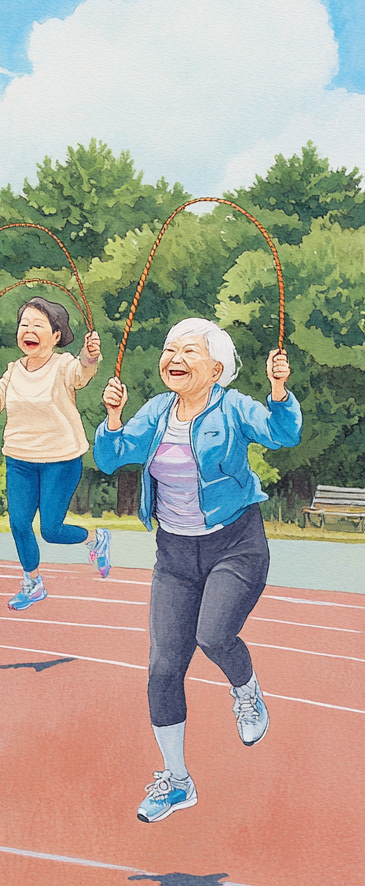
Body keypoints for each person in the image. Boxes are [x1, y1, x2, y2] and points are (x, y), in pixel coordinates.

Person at [94, 319, 301, 823]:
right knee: (163, 669)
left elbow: (282, 434)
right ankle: (177, 781)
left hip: (236, 545)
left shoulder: (233, 407)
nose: (174, 357)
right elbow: (109, 459)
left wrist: (278, 390)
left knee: (213, 635)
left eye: (189, 350)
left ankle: (246, 691)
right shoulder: (157, 411)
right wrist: (114, 419)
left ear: (216, 368)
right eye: (169, 349)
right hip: (175, 556)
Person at [0, 297, 110, 610]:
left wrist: (90, 357)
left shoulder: (63, 365)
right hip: (19, 460)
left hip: (60, 460)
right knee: (19, 524)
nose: (28, 331)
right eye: (24, 325)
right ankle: (33, 582)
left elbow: (82, 373)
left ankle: (96, 537)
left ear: (56, 335)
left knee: (51, 530)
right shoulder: (12, 371)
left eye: (38, 325)